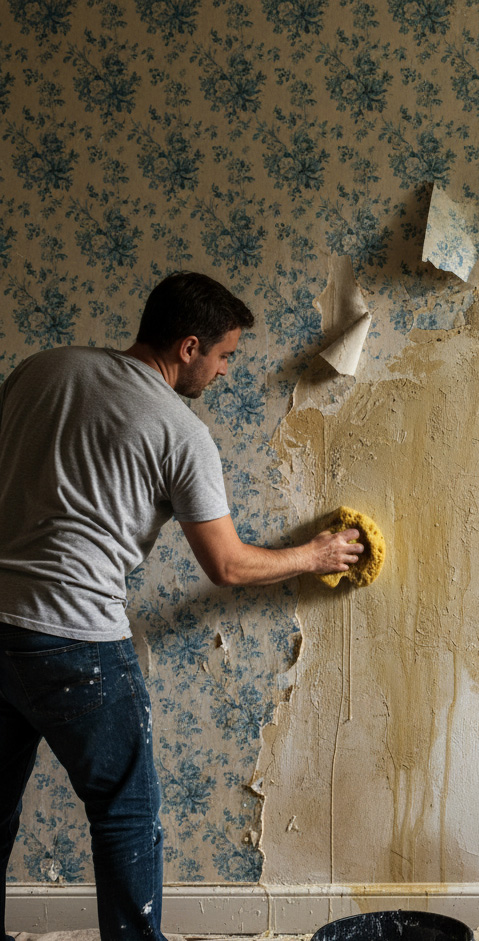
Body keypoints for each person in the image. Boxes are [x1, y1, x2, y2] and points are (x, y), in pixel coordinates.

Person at [0, 271, 364, 941]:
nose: (226, 370)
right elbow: (226, 564)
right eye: (225, 355)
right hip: (76, 638)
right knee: (125, 811)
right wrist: (312, 556)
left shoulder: (40, 371)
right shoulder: (178, 429)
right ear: (189, 346)